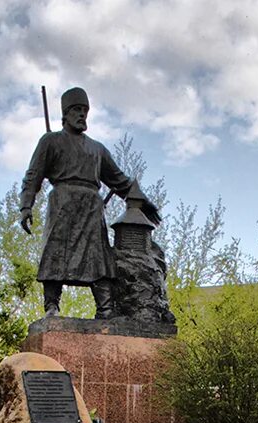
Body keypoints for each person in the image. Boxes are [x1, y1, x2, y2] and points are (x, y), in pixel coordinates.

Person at [19, 87, 160, 319]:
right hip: (62, 205)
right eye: (76, 110)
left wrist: (143, 205)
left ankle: (105, 309)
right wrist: (26, 206)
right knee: (55, 255)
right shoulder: (50, 141)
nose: (82, 115)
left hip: (91, 209)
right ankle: (51, 307)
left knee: (99, 258)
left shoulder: (97, 149)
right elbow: (33, 176)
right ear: (65, 114)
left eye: (85, 110)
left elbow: (120, 181)